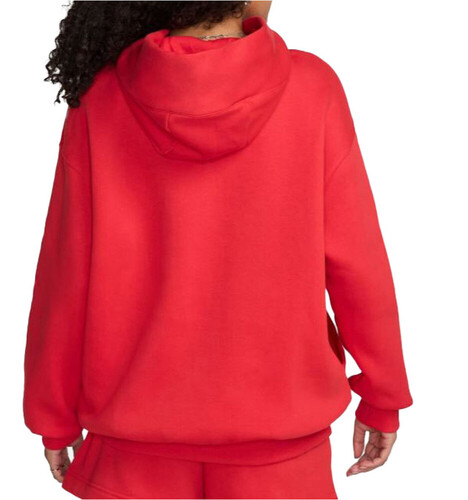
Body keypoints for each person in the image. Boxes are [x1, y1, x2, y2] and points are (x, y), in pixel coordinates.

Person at [22, 1, 414, 498]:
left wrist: (52, 414)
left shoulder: (102, 97)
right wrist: (382, 394)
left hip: (131, 452)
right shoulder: (312, 88)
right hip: (281, 455)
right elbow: (357, 262)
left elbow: (65, 271)